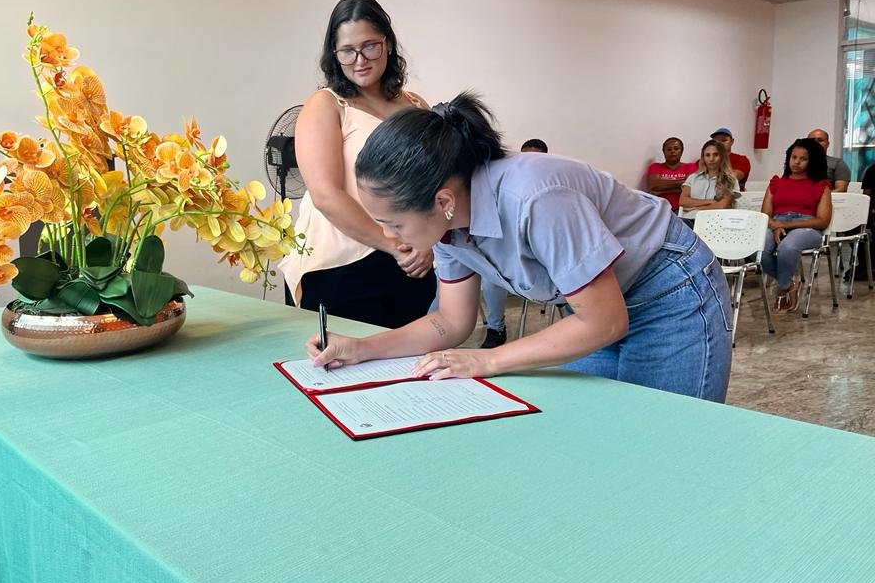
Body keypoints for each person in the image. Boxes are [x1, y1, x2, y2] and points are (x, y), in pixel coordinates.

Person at [307, 92, 733, 402]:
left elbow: (604, 321)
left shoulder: (534, 196)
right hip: (593, 306)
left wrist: (487, 360)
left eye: (394, 224)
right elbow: (451, 322)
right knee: (596, 430)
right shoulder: (448, 224)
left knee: (664, 437)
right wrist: (363, 349)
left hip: (667, 291)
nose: (390, 237)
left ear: (441, 201)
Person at [278, 0, 436, 328]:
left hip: (412, 261)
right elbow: (326, 195)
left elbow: (435, 183)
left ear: (387, 44)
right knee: (342, 357)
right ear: (334, 54)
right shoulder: (326, 104)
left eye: (369, 46)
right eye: (347, 51)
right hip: (341, 265)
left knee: (408, 356)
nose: (359, 60)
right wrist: (393, 244)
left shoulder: (416, 105)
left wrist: (427, 243)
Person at [479, 137, 549, 349]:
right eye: (525, 157)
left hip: (543, 257)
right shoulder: (505, 188)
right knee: (491, 278)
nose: (529, 164)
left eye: (535, 159)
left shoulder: (549, 189)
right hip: (511, 254)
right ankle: (496, 328)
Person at [760, 138, 832, 312]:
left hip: (807, 226)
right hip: (776, 224)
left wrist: (786, 224)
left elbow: (823, 220)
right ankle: (790, 284)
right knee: (758, 249)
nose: (797, 162)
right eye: (794, 157)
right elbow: (764, 215)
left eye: (803, 159)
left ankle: (781, 289)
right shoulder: (776, 183)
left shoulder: (821, 186)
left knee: (787, 247)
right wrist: (776, 226)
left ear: (812, 161)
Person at [679, 140, 740, 223]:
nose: (711, 159)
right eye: (707, 155)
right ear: (703, 157)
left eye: (716, 155)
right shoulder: (693, 177)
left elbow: (721, 206)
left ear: (722, 157)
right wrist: (711, 201)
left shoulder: (730, 179)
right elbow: (683, 201)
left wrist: (694, 207)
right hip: (689, 220)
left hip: (715, 222)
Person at [646, 137, 696, 212]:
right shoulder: (655, 167)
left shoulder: (690, 167)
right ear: (664, 152)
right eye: (669, 149)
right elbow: (654, 186)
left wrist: (662, 190)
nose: (672, 151)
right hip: (660, 210)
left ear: (681, 151)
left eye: (676, 149)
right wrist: (683, 184)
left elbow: (693, 188)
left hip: (684, 210)